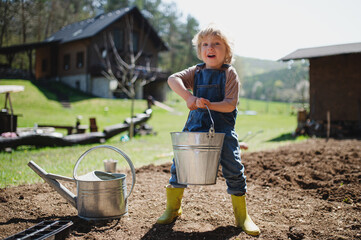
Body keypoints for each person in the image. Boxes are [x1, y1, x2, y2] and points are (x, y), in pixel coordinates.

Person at [156, 24, 260, 236]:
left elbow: (230, 104)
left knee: (233, 166)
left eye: (216, 44)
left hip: (222, 130)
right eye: (205, 44)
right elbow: (172, 79)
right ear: (200, 50)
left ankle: (242, 217)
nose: (209, 48)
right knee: (180, 165)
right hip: (195, 126)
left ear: (227, 51)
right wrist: (189, 97)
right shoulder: (196, 71)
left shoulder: (230, 74)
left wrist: (208, 104)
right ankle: (173, 209)